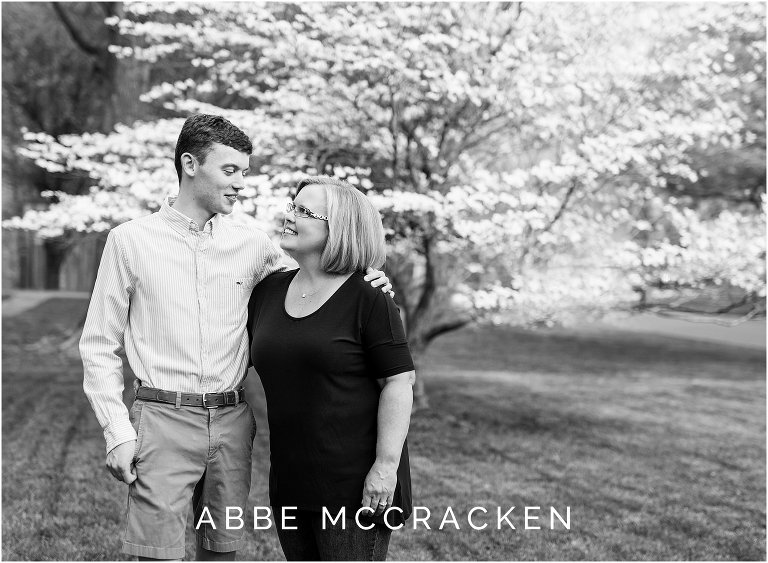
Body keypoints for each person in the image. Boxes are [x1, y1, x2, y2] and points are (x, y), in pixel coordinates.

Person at [80, 115, 392, 561]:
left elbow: (318, 285)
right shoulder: (129, 242)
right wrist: (117, 431)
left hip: (232, 422)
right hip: (162, 418)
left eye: (244, 172)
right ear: (190, 164)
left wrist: (368, 278)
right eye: (230, 171)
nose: (241, 183)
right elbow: (98, 344)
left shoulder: (254, 245)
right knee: (154, 555)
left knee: (222, 552)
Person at [247, 176, 415, 561]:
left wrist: (385, 468)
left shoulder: (368, 296)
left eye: (304, 211)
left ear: (339, 229)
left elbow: (399, 382)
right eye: (293, 206)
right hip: (290, 479)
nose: (289, 216)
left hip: (354, 485)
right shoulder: (267, 292)